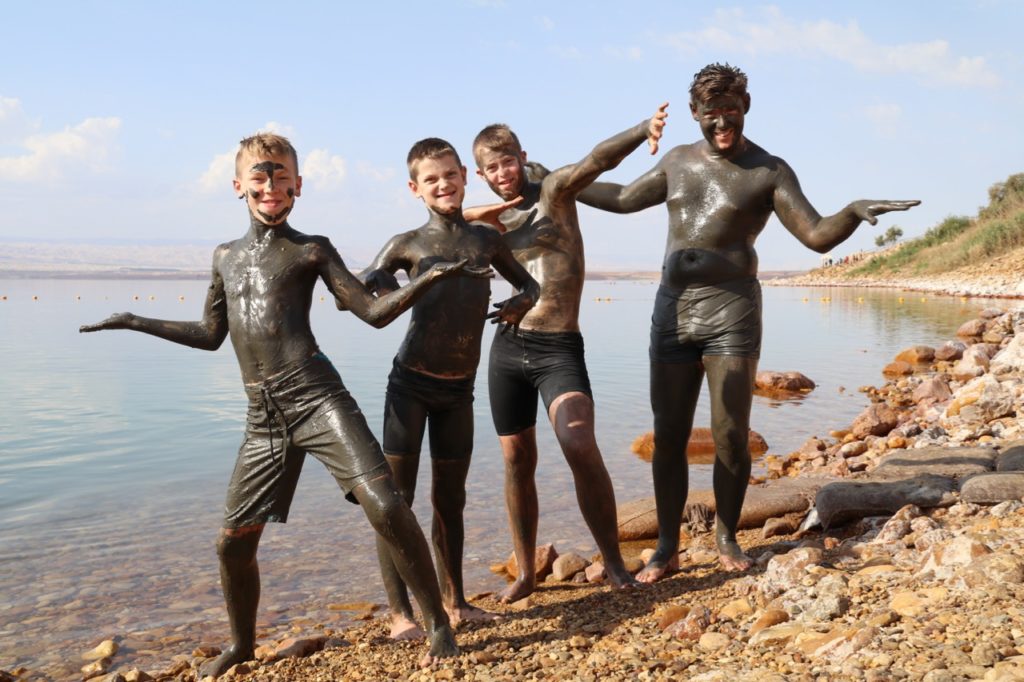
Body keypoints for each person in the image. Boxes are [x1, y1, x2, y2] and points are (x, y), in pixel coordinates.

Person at [79, 133, 483, 675]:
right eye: (260, 176)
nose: (271, 187)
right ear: (237, 185)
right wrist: (135, 321)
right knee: (232, 545)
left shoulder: (311, 248)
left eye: (281, 177)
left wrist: (427, 279)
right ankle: (242, 645)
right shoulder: (225, 257)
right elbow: (208, 333)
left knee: (386, 505)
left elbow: (371, 312)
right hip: (262, 416)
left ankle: (437, 624)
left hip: (317, 397)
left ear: (298, 185)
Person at [574, 63, 919, 581]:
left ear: (746, 107)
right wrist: (561, 185)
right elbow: (622, 200)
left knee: (732, 432)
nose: (721, 124)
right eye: (711, 115)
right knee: (668, 434)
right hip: (672, 311)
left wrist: (850, 211)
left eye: (730, 112)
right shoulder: (676, 162)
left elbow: (817, 235)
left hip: (732, 312)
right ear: (695, 114)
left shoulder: (768, 170)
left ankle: (726, 535)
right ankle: (666, 546)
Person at [464, 105, 667, 602]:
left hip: (558, 347)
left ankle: (615, 564)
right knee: (516, 460)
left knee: (579, 444)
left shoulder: (554, 192)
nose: (502, 173)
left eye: (508, 161)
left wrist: (643, 130)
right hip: (507, 350)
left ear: (522, 157)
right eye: (491, 168)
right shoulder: (486, 223)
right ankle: (528, 573)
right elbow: (437, 227)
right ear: (480, 174)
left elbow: (596, 161)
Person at [360, 138, 539, 639]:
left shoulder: (485, 240)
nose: (443, 185)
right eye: (431, 180)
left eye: (450, 175)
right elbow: (366, 282)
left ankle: (455, 602)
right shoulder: (407, 243)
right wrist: (381, 284)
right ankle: (400, 614)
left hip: (459, 391)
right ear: (415, 189)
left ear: (464, 175)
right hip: (410, 387)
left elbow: (530, 286)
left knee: (451, 500)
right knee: (395, 501)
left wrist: (515, 307)